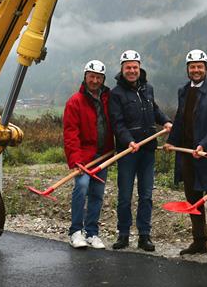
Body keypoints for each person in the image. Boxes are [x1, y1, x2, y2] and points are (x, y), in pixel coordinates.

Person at [164, 49, 207, 263]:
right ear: (187, 70)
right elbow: (180, 121)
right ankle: (199, 241)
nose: (196, 70)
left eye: (200, 66)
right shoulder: (184, 91)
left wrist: (205, 144)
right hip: (187, 156)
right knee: (193, 200)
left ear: (206, 69)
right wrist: (171, 142)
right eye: (192, 66)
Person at [109, 50, 172, 251]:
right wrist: (128, 141)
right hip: (128, 152)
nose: (132, 70)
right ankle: (123, 235)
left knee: (146, 195)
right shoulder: (116, 94)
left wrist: (166, 121)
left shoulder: (148, 88)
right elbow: (117, 124)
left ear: (140, 68)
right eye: (128, 67)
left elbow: (154, 109)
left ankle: (144, 236)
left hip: (147, 150)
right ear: (122, 69)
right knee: (125, 195)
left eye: (135, 67)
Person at [62, 60, 114, 249]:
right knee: (82, 188)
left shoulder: (108, 100)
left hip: (103, 155)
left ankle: (92, 233)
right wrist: (76, 160)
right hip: (83, 157)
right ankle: (75, 232)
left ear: (103, 79)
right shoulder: (75, 101)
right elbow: (70, 134)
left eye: (98, 77)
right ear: (85, 77)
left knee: (97, 194)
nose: (94, 80)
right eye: (91, 76)